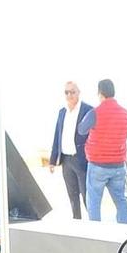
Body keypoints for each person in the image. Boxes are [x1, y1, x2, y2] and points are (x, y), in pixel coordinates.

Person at [81, 77, 127, 223]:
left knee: (94, 202)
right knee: (121, 201)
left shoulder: (95, 112)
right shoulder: (125, 113)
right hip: (118, 165)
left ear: (100, 92)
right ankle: (126, 232)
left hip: (98, 165)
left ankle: (97, 234)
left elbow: (82, 130)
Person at [48, 80, 93, 219]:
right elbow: (57, 136)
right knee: (72, 196)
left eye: (72, 92)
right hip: (66, 160)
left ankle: (94, 225)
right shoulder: (62, 112)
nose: (69, 95)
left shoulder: (88, 110)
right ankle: (77, 223)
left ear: (79, 93)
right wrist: (52, 160)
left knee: (87, 196)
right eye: (66, 92)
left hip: (82, 160)